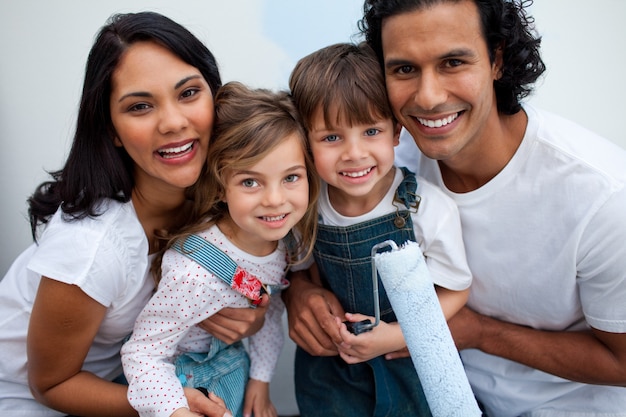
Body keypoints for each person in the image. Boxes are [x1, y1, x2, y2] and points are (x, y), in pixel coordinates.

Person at [285, 0, 626, 416]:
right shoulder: (377, 156)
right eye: (404, 69)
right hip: (419, 388)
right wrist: (301, 293)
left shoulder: (604, 197)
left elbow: (622, 363)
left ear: (496, 59)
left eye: (452, 62)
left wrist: (477, 332)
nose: (428, 98)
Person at [0, 12, 265, 417]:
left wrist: (260, 309)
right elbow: (49, 383)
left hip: (125, 380)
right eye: (140, 106)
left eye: (189, 93)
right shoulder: (89, 247)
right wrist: (170, 404)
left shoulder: (227, 194)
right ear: (111, 130)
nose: (174, 122)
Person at [287, 42, 472, 416]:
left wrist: (404, 334)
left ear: (396, 132)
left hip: (406, 358)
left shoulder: (426, 207)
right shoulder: (306, 205)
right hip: (335, 365)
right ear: (306, 142)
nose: (354, 153)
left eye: (371, 131)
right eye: (331, 137)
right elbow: (298, 269)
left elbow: (455, 289)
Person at [121, 81, 320, 417]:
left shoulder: (285, 242)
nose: (275, 200)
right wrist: (175, 411)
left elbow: (268, 310)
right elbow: (142, 353)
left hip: (232, 369)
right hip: (180, 385)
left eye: (291, 177)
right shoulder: (193, 275)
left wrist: (260, 380)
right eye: (250, 182)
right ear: (220, 187)